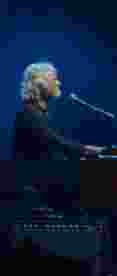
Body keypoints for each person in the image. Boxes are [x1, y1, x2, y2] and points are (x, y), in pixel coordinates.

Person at [11, 62, 104, 211]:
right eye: (54, 79)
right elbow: (55, 142)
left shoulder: (39, 113)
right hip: (35, 194)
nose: (58, 82)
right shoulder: (28, 114)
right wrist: (88, 150)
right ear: (40, 83)